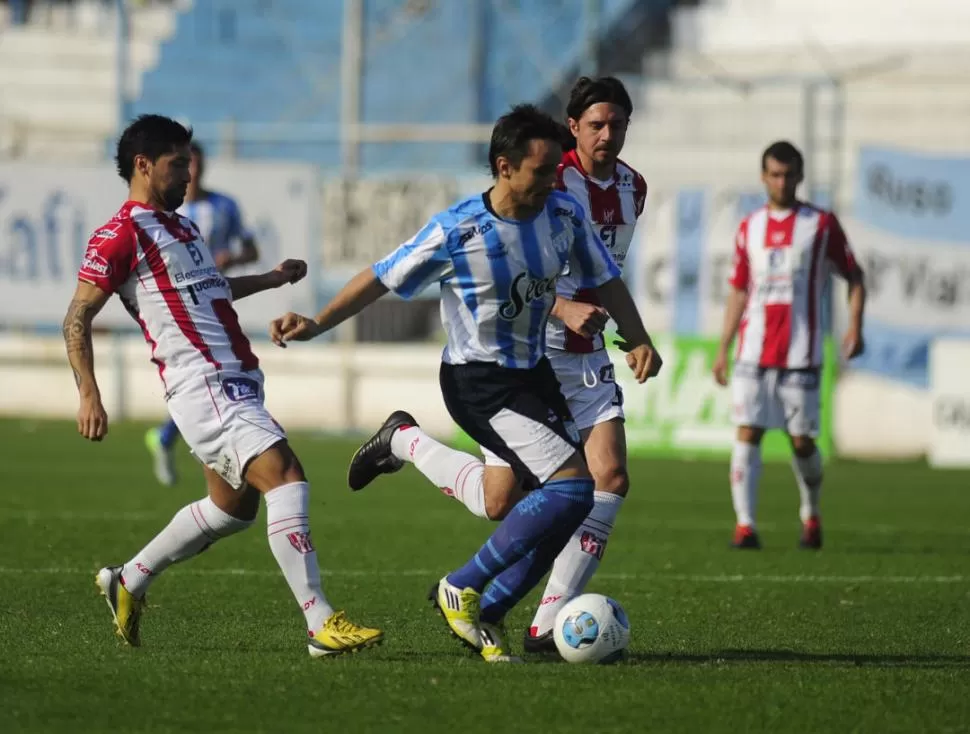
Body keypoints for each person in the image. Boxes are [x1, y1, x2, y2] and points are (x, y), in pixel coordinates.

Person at [269, 104, 661, 662]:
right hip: (479, 382)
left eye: (555, 171)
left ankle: (491, 609)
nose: (553, 181)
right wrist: (316, 324)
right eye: (542, 171)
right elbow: (380, 277)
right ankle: (464, 585)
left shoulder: (563, 215)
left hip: (533, 376)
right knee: (575, 488)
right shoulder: (459, 231)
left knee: (544, 503)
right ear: (504, 166)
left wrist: (639, 335)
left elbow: (607, 279)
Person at [64, 114, 381, 656]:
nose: (189, 174)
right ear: (143, 165)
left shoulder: (183, 227)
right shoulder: (121, 235)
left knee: (231, 510)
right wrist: (89, 393)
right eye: (178, 163)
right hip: (202, 384)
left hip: (235, 378)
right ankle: (320, 623)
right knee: (286, 476)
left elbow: (212, 288)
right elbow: (76, 317)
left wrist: (274, 278)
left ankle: (129, 578)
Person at [712, 140, 866, 550]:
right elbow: (739, 290)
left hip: (801, 352)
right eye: (774, 174)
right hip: (752, 353)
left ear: (799, 176)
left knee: (802, 442)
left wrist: (855, 326)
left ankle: (811, 514)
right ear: (763, 177)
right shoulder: (749, 228)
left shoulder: (820, 224)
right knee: (748, 433)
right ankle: (745, 526)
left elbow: (854, 275)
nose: (781, 182)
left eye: (788, 174)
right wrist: (722, 347)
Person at [145, 141, 261, 487]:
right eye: (183, 165)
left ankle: (169, 438)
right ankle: (211, 451)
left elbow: (251, 249)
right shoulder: (163, 215)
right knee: (207, 374)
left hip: (217, 302)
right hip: (180, 309)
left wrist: (231, 259)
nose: (191, 173)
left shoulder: (224, 206)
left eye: (195, 164)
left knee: (219, 373)